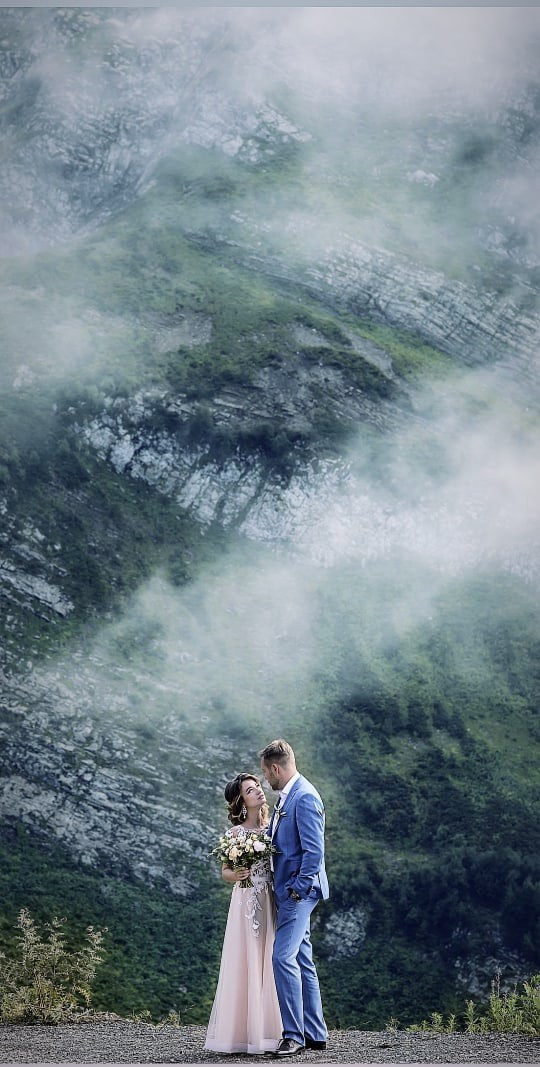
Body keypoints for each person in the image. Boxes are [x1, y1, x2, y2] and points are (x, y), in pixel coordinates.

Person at [259, 739, 329, 1058]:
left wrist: (297, 889)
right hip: (290, 889)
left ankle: (293, 1036)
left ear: (276, 768)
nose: (265, 780)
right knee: (301, 957)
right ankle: (315, 1033)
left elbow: (314, 852)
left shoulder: (304, 797)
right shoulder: (289, 796)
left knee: (281, 957)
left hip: (299, 892)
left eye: (266, 773)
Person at [204, 772, 282, 1055]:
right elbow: (224, 872)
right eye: (251, 791)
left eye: (257, 786)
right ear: (241, 801)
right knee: (245, 960)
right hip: (245, 901)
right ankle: (242, 1035)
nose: (259, 792)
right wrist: (236, 873)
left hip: (270, 897)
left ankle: (273, 1033)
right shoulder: (234, 835)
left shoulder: (272, 826)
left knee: (271, 959)